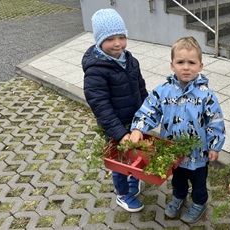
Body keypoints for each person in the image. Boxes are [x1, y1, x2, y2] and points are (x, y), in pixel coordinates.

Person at [129, 36, 225, 223]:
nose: (186, 67)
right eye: (180, 62)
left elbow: (215, 121)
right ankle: (178, 197)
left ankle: (199, 202)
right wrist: (138, 129)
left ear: (200, 66)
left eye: (191, 62)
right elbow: (149, 109)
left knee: (198, 182)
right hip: (173, 151)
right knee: (178, 179)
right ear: (172, 65)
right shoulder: (163, 91)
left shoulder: (206, 95)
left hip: (198, 153)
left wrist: (214, 146)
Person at [82, 8, 148, 212]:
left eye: (121, 37)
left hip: (134, 122)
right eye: (110, 39)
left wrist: (147, 113)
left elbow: (141, 88)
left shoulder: (130, 60)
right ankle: (122, 194)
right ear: (99, 41)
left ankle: (133, 179)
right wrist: (119, 134)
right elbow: (100, 106)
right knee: (119, 161)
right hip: (115, 127)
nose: (118, 43)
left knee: (135, 154)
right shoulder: (96, 71)